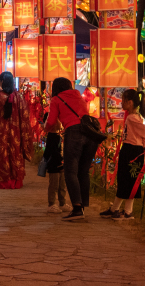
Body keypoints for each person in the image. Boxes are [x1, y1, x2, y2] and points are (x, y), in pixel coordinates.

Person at [46, 77, 98, 221]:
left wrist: (45, 128)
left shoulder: (56, 99)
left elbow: (51, 121)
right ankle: (82, 206)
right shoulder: (78, 95)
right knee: (83, 171)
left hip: (74, 133)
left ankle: (76, 208)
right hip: (90, 134)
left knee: (70, 171)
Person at [101, 88, 145, 220]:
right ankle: (122, 210)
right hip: (132, 150)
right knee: (128, 181)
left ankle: (123, 211)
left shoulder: (132, 118)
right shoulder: (135, 117)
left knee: (126, 180)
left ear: (129, 102)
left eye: (123, 100)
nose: (121, 103)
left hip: (131, 151)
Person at [0, 72, 34, 189]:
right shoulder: (19, 97)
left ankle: (2, 182)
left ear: (2, 82)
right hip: (16, 132)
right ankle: (15, 181)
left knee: (1, 155)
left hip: (0, 132)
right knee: (16, 154)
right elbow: (25, 118)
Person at [43, 129, 68, 213]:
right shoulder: (52, 136)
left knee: (62, 185)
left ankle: (62, 203)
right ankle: (51, 204)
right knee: (54, 185)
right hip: (54, 165)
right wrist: (60, 160)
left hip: (60, 164)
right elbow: (53, 151)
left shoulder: (58, 135)